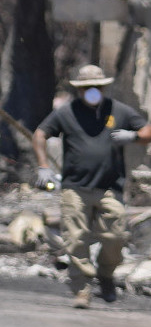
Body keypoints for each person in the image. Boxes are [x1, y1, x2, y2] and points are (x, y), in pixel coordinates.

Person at [33, 64, 151, 308]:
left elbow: (147, 130)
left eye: (96, 87)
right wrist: (44, 166)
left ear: (103, 88)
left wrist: (134, 137)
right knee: (76, 239)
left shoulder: (118, 110)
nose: (92, 91)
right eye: (87, 88)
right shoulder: (68, 112)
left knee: (115, 236)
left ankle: (105, 275)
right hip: (75, 187)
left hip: (110, 187)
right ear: (79, 90)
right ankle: (82, 289)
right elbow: (40, 134)